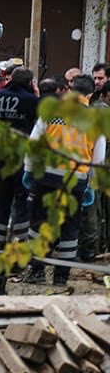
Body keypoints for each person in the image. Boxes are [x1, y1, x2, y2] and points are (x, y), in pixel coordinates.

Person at [23, 75, 106, 285]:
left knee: (39, 223)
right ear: (90, 94)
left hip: (46, 176)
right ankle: (61, 278)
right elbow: (99, 157)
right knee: (70, 227)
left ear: (69, 89)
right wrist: (91, 184)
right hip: (75, 179)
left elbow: (34, 142)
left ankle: (37, 271)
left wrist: (28, 170)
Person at [0, 68, 38, 294]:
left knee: (1, 202)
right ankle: (18, 248)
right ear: (30, 83)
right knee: (21, 204)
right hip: (21, 158)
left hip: (0, 156)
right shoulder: (31, 101)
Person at [80, 81, 110, 261]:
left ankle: (94, 247)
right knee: (95, 211)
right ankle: (92, 249)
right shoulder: (101, 110)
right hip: (96, 168)